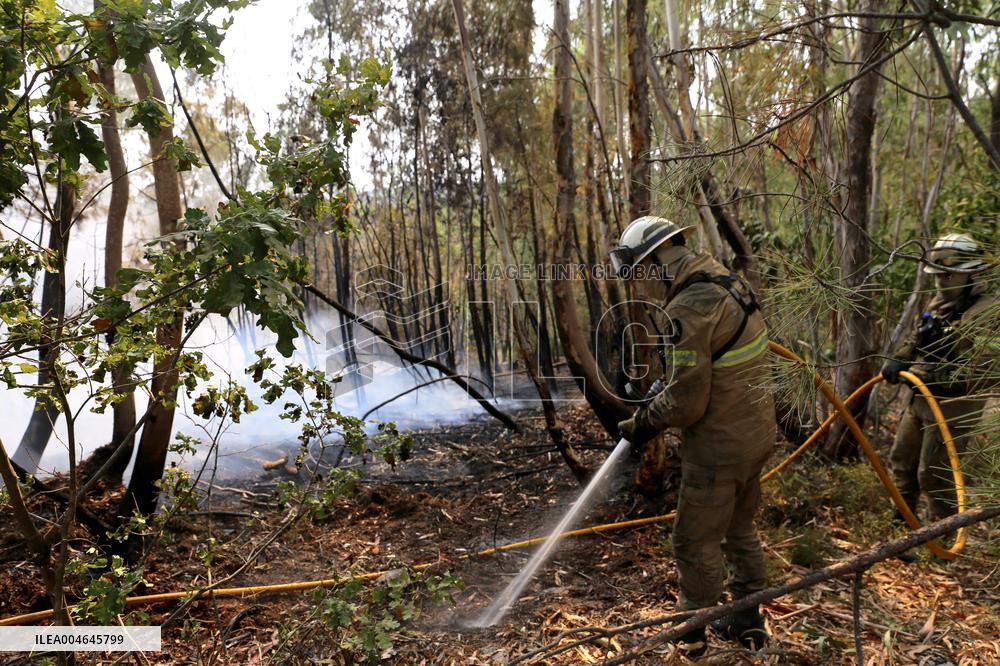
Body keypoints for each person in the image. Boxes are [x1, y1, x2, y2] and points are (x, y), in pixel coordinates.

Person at [612, 216, 776, 655]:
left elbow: (686, 407)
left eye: (638, 273)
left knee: (694, 538)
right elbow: (708, 366)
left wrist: (642, 423)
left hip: (719, 447)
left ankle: (692, 635)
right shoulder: (721, 277)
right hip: (755, 433)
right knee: (739, 529)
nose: (639, 285)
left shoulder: (688, 307)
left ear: (653, 263)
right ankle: (748, 621)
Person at [882, 233, 995, 524]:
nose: (940, 281)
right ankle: (901, 529)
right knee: (902, 462)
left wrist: (937, 366)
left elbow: (983, 372)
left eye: (947, 275)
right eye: (936, 275)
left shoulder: (988, 313)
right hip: (920, 399)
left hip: (952, 407)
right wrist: (901, 357)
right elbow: (919, 334)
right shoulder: (940, 301)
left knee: (934, 475)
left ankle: (941, 545)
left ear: (970, 275)